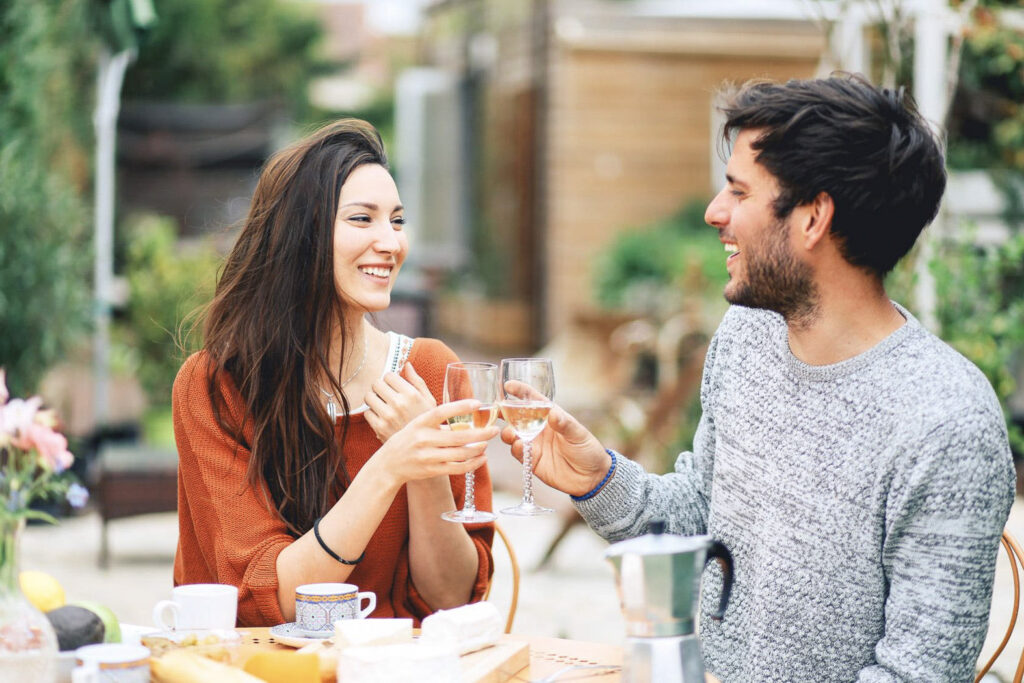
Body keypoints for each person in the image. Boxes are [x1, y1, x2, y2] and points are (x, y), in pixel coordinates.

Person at [502, 75, 1015, 681]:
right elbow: (699, 520)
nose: (714, 212)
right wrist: (597, 478)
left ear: (813, 218)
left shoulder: (947, 421)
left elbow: (918, 674)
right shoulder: (747, 338)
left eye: (739, 192)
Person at [172, 119, 498, 627]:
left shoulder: (430, 373)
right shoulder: (217, 386)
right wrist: (390, 465)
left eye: (397, 219)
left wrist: (428, 470)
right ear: (300, 235)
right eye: (362, 219)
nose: (390, 243)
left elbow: (453, 601)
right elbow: (278, 603)